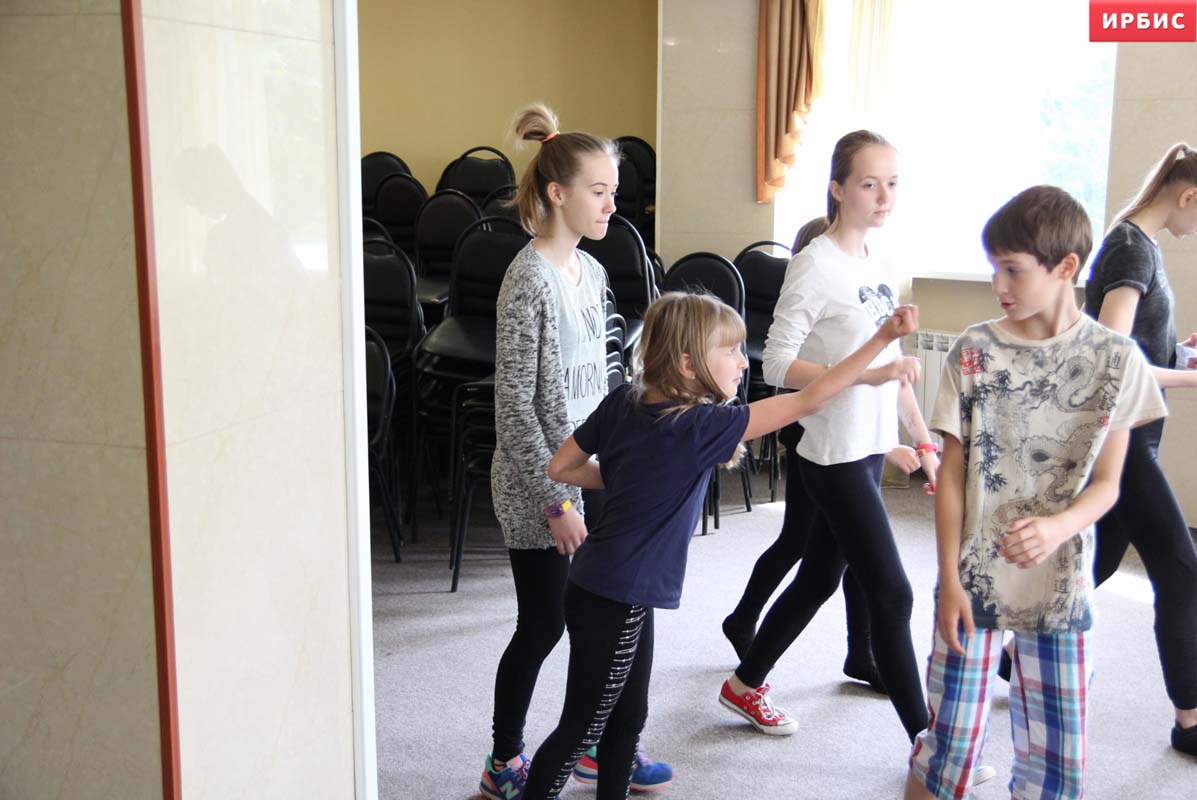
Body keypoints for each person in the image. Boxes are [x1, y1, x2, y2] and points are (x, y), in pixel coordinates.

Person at [520, 293, 919, 799]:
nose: (741, 361)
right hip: (616, 596)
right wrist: (882, 339)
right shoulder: (699, 426)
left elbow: (562, 467)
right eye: (730, 351)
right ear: (689, 365)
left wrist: (629, 480)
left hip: (604, 585)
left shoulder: (626, 399)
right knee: (582, 728)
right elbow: (809, 399)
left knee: (628, 720)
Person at [904, 186, 1167, 799]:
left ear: (1066, 267)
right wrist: (949, 581)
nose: (999, 284)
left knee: (1056, 762)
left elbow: (1109, 485)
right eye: (993, 267)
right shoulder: (974, 351)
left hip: (1061, 586)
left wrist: (1057, 526)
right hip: (972, 579)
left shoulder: (1117, 360)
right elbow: (950, 476)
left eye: (1013, 269)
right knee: (948, 747)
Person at [719, 130, 937, 742]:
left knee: (818, 578)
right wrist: (865, 373)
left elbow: (895, 372)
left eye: (892, 183)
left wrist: (922, 444)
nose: (884, 196)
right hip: (832, 454)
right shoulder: (815, 264)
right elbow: (776, 363)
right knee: (892, 594)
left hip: (867, 450)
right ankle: (929, 745)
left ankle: (744, 684)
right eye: (869, 184)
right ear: (839, 189)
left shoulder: (878, 265)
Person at [480, 104, 671, 800]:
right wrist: (556, 500)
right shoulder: (526, 280)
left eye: (613, 191)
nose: (612, 205)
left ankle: (602, 746)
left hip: (595, 476)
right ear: (557, 193)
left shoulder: (590, 270)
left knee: (614, 619)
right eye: (599, 191)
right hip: (540, 486)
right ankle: (503, 760)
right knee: (545, 624)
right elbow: (514, 411)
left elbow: (609, 378)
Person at [1082, 142, 1197, 756]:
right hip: (1122, 441)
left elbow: (1137, 349)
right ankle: (1190, 721)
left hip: (1134, 431)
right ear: (1188, 195)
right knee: (1181, 570)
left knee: (1096, 562)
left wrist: (1180, 355)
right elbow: (1111, 359)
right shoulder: (1131, 247)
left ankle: (1015, 660)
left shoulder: (1142, 245)